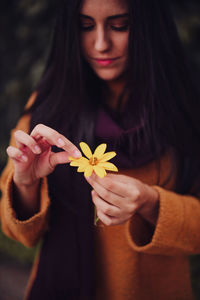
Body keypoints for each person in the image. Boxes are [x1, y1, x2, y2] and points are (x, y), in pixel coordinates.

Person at [1, 0, 200, 299]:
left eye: (120, 25)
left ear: (149, 28)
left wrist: (150, 202)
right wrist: (26, 182)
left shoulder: (183, 110)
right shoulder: (48, 106)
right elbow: (18, 234)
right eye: (84, 26)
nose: (101, 44)